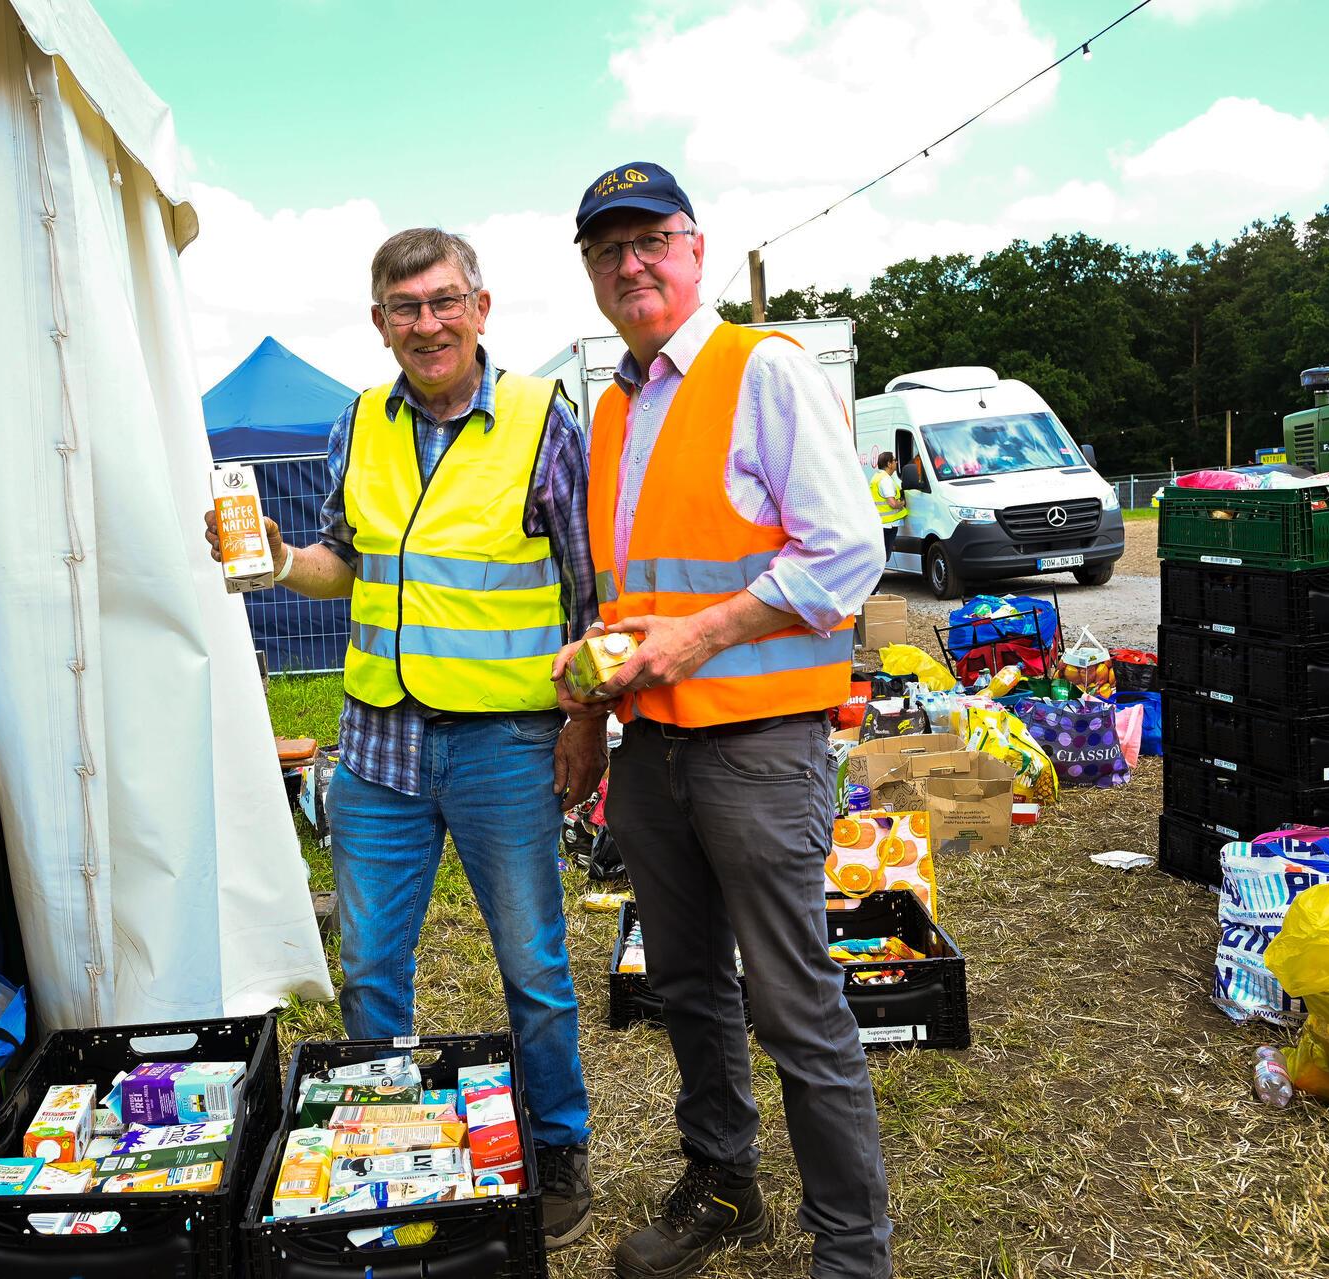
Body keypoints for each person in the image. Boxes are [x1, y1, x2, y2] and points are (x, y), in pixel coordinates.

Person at [203, 228, 600, 1248]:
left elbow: (587, 589)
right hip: (378, 743)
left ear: (481, 306)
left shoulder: (540, 419)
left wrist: (586, 724)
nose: (425, 323)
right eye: (403, 307)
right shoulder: (358, 422)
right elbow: (346, 557)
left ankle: (558, 1147)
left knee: (534, 967)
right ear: (379, 321)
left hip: (504, 741)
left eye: (441, 302)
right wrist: (278, 559)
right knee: (373, 965)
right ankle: (386, 1135)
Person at [554, 162, 893, 1279]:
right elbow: (630, 595)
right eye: (608, 250)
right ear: (592, 274)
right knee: (686, 985)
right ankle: (725, 1186)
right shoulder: (613, 408)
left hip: (760, 744)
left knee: (797, 1005)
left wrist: (698, 638)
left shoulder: (764, 370)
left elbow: (848, 553)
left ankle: (853, 1249)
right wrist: (592, 712)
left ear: (696, 249)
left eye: (650, 240)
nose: (631, 264)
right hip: (652, 750)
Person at [870, 451, 906, 560]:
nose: (896, 462)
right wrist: (903, 503)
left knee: (881, 557)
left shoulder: (877, 477)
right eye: (894, 460)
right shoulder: (885, 480)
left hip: (881, 523)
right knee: (884, 557)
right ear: (889, 464)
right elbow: (893, 503)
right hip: (888, 524)